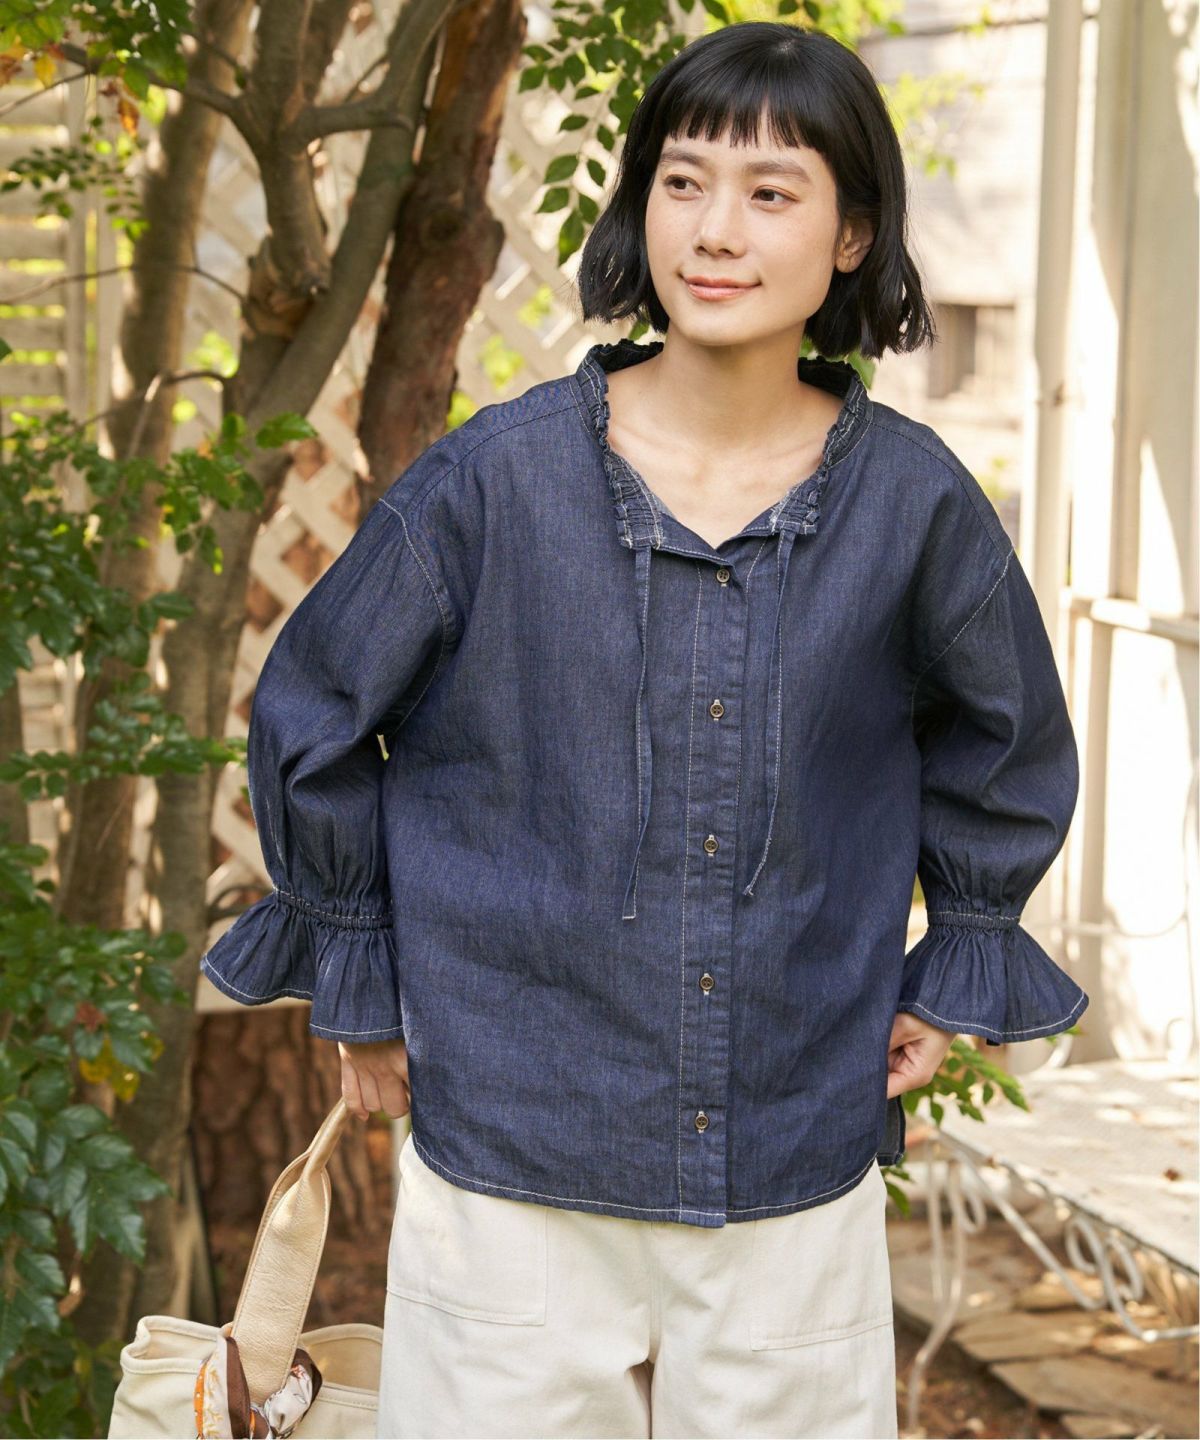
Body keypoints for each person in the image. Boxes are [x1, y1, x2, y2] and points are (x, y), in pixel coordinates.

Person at [200, 20, 1090, 1440]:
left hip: (789, 1165)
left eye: (771, 191)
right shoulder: (490, 485)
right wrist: (360, 973)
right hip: (510, 1169)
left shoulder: (916, 507)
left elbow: (1007, 747)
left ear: (853, 235)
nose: (715, 229)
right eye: (683, 181)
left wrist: (955, 967)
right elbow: (313, 716)